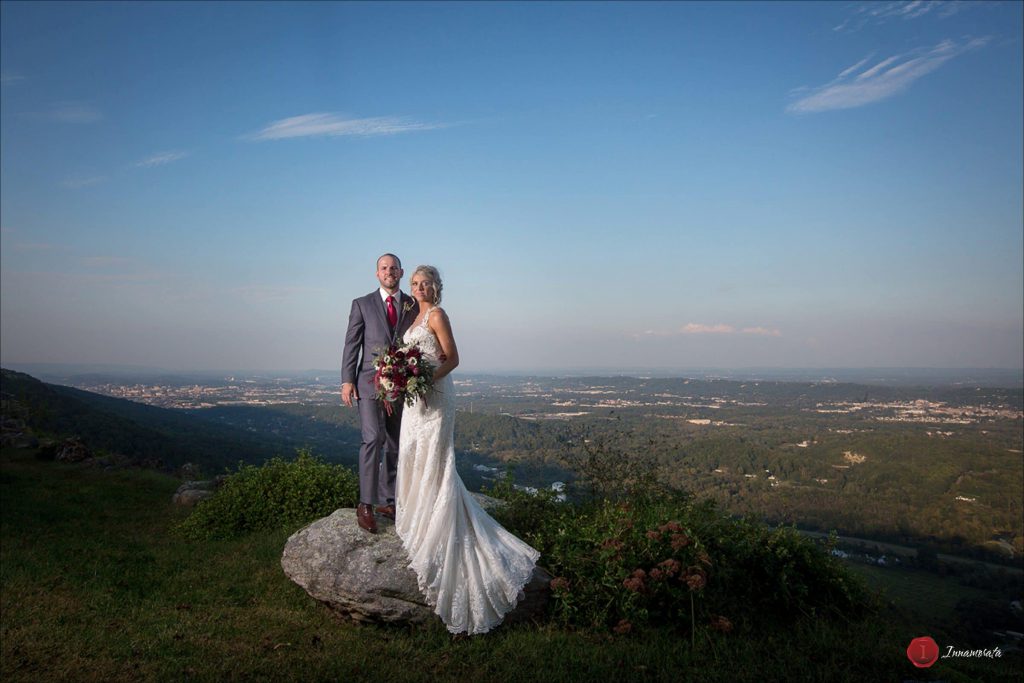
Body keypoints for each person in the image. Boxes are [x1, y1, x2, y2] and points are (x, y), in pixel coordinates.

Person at [395, 265, 540, 635]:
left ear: (436, 287)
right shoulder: (414, 318)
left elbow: (452, 358)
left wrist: (425, 379)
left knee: (435, 457)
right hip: (415, 401)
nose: (420, 287)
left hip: (436, 397)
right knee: (412, 452)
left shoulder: (439, 315)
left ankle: (438, 516)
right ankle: (417, 510)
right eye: (414, 283)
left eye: (425, 282)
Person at [342, 253, 419, 534]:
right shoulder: (361, 304)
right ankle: (365, 504)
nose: (389, 272)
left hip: (402, 386)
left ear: (401, 272)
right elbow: (352, 345)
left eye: (393, 268)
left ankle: (388, 501)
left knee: (397, 443)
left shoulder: (412, 305)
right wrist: (347, 380)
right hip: (368, 384)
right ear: (377, 274)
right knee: (373, 438)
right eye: (384, 268)